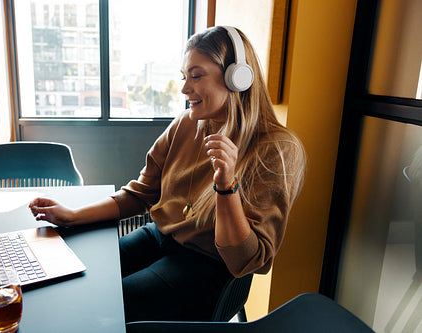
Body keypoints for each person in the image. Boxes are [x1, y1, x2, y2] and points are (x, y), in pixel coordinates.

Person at [29, 26, 306, 322]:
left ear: (237, 77)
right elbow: (139, 194)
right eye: (184, 77)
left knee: (106, 305)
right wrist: (72, 215)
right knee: (77, 272)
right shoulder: (186, 123)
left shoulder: (277, 149)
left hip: (207, 264)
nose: (185, 89)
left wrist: (227, 186)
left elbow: (245, 260)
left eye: (196, 76)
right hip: (160, 236)